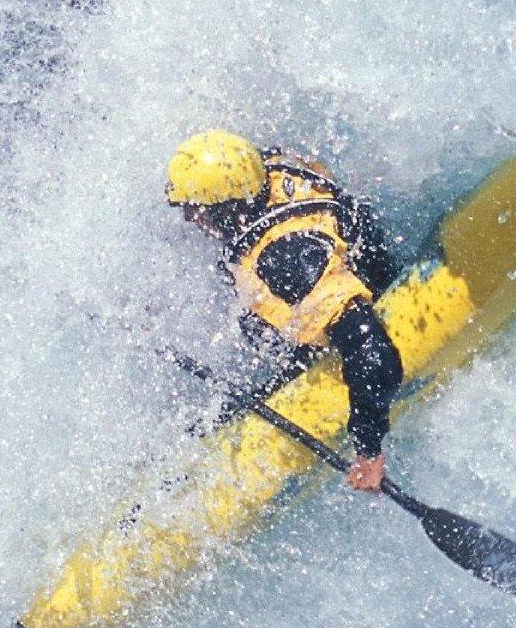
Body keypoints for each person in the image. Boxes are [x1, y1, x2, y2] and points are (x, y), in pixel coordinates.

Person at [165, 129, 404, 492]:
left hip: (352, 310)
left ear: (225, 209)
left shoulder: (287, 261)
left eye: (195, 211)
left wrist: (368, 451)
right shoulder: (266, 169)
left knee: (223, 411)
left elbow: (372, 353)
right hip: (344, 258)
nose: (188, 220)